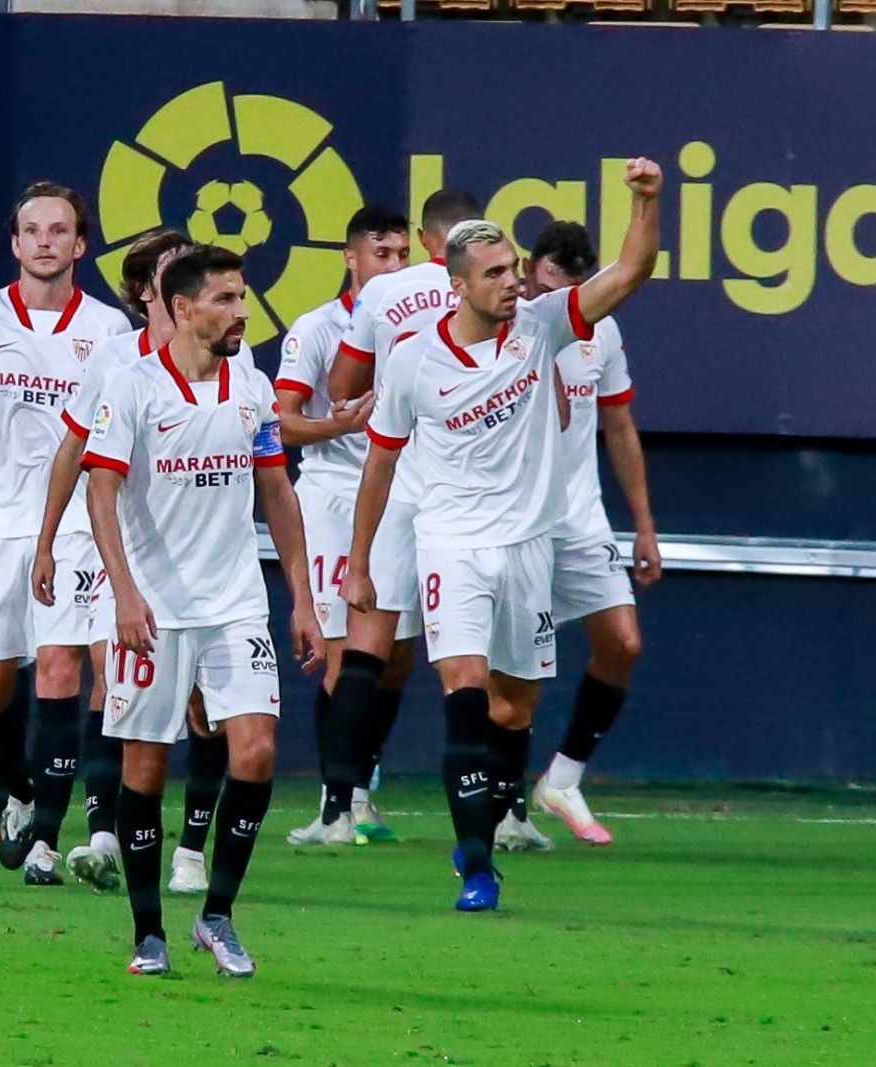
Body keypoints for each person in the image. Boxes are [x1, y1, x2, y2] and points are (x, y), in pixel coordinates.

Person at [346, 158, 664, 912]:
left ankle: (483, 828)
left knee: (513, 708)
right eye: (494, 273)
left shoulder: (543, 326)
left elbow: (631, 270)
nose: (512, 283)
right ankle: (479, 869)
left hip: (529, 548)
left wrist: (646, 201)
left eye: (514, 269)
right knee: (464, 690)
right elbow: (379, 466)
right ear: (457, 284)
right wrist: (359, 565)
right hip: (452, 545)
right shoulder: (415, 362)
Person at [81, 245, 324, 977]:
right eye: (224, 299)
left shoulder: (251, 386)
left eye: (242, 297)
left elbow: (276, 490)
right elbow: (101, 491)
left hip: (235, 603)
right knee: (145, 766)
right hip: (155, 608)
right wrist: (124, 592)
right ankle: (148, 932)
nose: (241, 312)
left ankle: (217, 914)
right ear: (183, 309)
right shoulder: (132, 389)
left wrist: (303, 598)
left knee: (256, 750)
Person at [34, 229, 258, 895]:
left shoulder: (235, 358)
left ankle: (190, 846)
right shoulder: (118, 361)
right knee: (113, 682)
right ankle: (106, 832)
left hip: (216, 567)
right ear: (152, 291)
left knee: (208, 707)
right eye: (166, 265)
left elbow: (262, 431)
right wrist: (47, 539)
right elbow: (76, 448)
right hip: (130, 554)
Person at [0, 182, 130, 886]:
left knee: (59, 668)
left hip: (71, 525)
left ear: (81, 244)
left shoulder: (108, 330)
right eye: (33, 230)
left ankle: (46, 834)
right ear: (14, 244)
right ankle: (14, 785)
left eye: (59, 230)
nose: (46, 241)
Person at [315, 188, 478, 840]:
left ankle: (337, 807)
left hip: (399, 480)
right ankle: (493, 815)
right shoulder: (497, 292)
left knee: (366, 649)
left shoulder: (385, 292)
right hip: (473, 492)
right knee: (474, 662)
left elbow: (342, 386)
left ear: (426, 237)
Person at [508, 220, 662, 850]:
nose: (561, 296)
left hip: (581, 518)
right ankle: (505, 809)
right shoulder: (513, 326)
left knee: (623, 643)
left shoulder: (603, 330)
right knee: (516, 676)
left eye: (572, 286)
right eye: (550, 283)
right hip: (517, 520)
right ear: (530, 272)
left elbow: (619, 427)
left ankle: (563, 778)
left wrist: (644, 526)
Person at [272, 204, 415, 847]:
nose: (393, 266)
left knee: (395, 660)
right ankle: (335, 804)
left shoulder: (423, 326)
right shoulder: (318, 328)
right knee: (341, 656)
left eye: (402, 255)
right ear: (351, 259)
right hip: (332, 499)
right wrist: (337, 424)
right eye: (380, 255)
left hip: (400, 501)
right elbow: (281, 422)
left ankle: (360, 786)